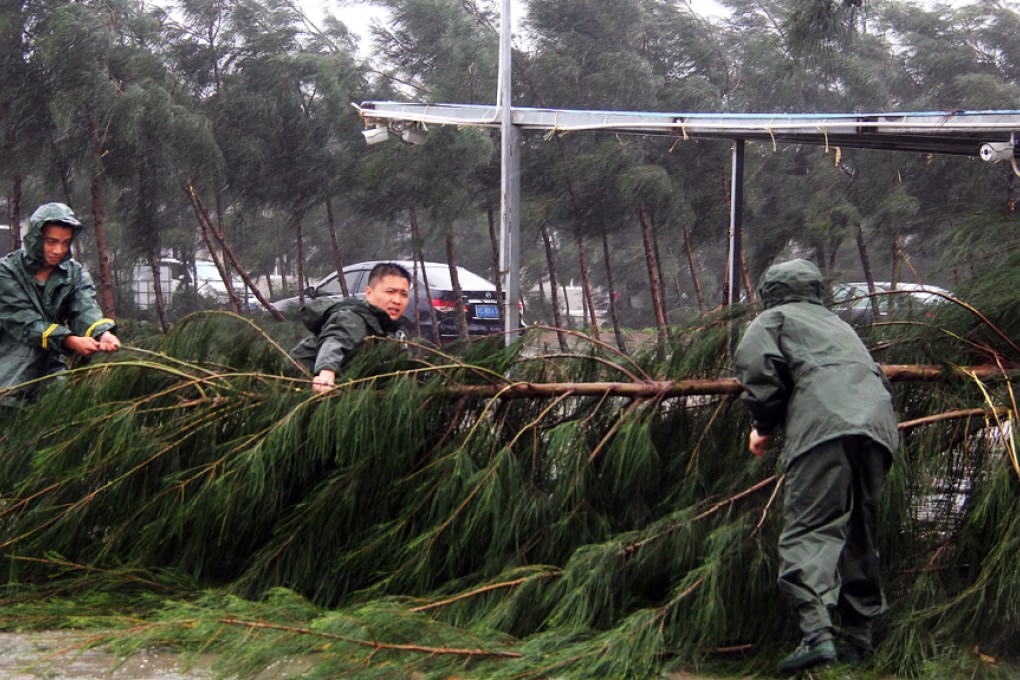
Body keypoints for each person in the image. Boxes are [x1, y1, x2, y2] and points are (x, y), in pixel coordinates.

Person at [732, 258, 899, 675]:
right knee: (861, 528)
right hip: (878, 425)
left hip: (825, 424)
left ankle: (817, 635)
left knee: (811, 527)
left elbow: (757, 368)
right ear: (816, 290)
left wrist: (763, 427)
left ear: (769, 293)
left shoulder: (774, 319)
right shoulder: (838, 325)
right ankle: (860, 640)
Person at [0, 202, 121, 406]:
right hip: (8, 366)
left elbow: (84, 308)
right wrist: (70, 341)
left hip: (51, 367)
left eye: (65, 243)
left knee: (61, 410)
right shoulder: (6, 272)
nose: (58, 250)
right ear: (36, 239)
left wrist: (103, 333)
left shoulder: (74, 274)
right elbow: (25, 323)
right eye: (51, 242)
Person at [291, 262, 411, 393]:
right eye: (390, 292)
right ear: (369, 293)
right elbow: (335, 341)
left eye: (403, 294)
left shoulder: (392, 332)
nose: (397, 300)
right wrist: (326, 372)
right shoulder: (353, 318)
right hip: (297, 381)